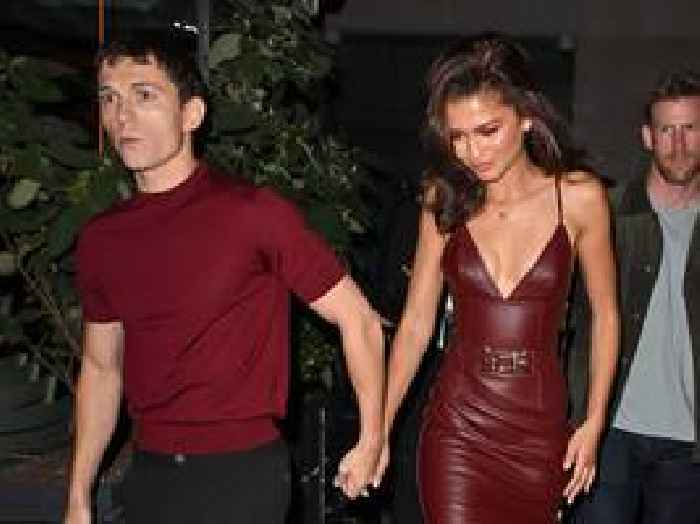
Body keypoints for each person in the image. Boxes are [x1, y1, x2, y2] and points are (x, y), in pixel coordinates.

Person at [63, 33, 384, 524]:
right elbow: (102, 368)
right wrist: (78, 495)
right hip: (149, 472)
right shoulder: (102, 239)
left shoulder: (253, 214)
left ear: (191, 114)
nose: (122, 115)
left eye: (144, 95)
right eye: (110, 98)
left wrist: (371, 438)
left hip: (240, 473)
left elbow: (359, 320)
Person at [375, 35, 619, 523]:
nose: (472, 152)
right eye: (457, 136)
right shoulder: (443, 201)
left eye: (488, 131)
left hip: (539, 428)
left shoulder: (578, 198)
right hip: (458, 428)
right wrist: (378, 430)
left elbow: (606, 316)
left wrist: (593, 423)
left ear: (525, 117)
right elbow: (416, 324)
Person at [570, 70, 700, 524]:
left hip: (688, 441)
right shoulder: (605, 212)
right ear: (648, 137)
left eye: (690, 129)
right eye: (667, 130)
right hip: (609, 428)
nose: (678, 145)